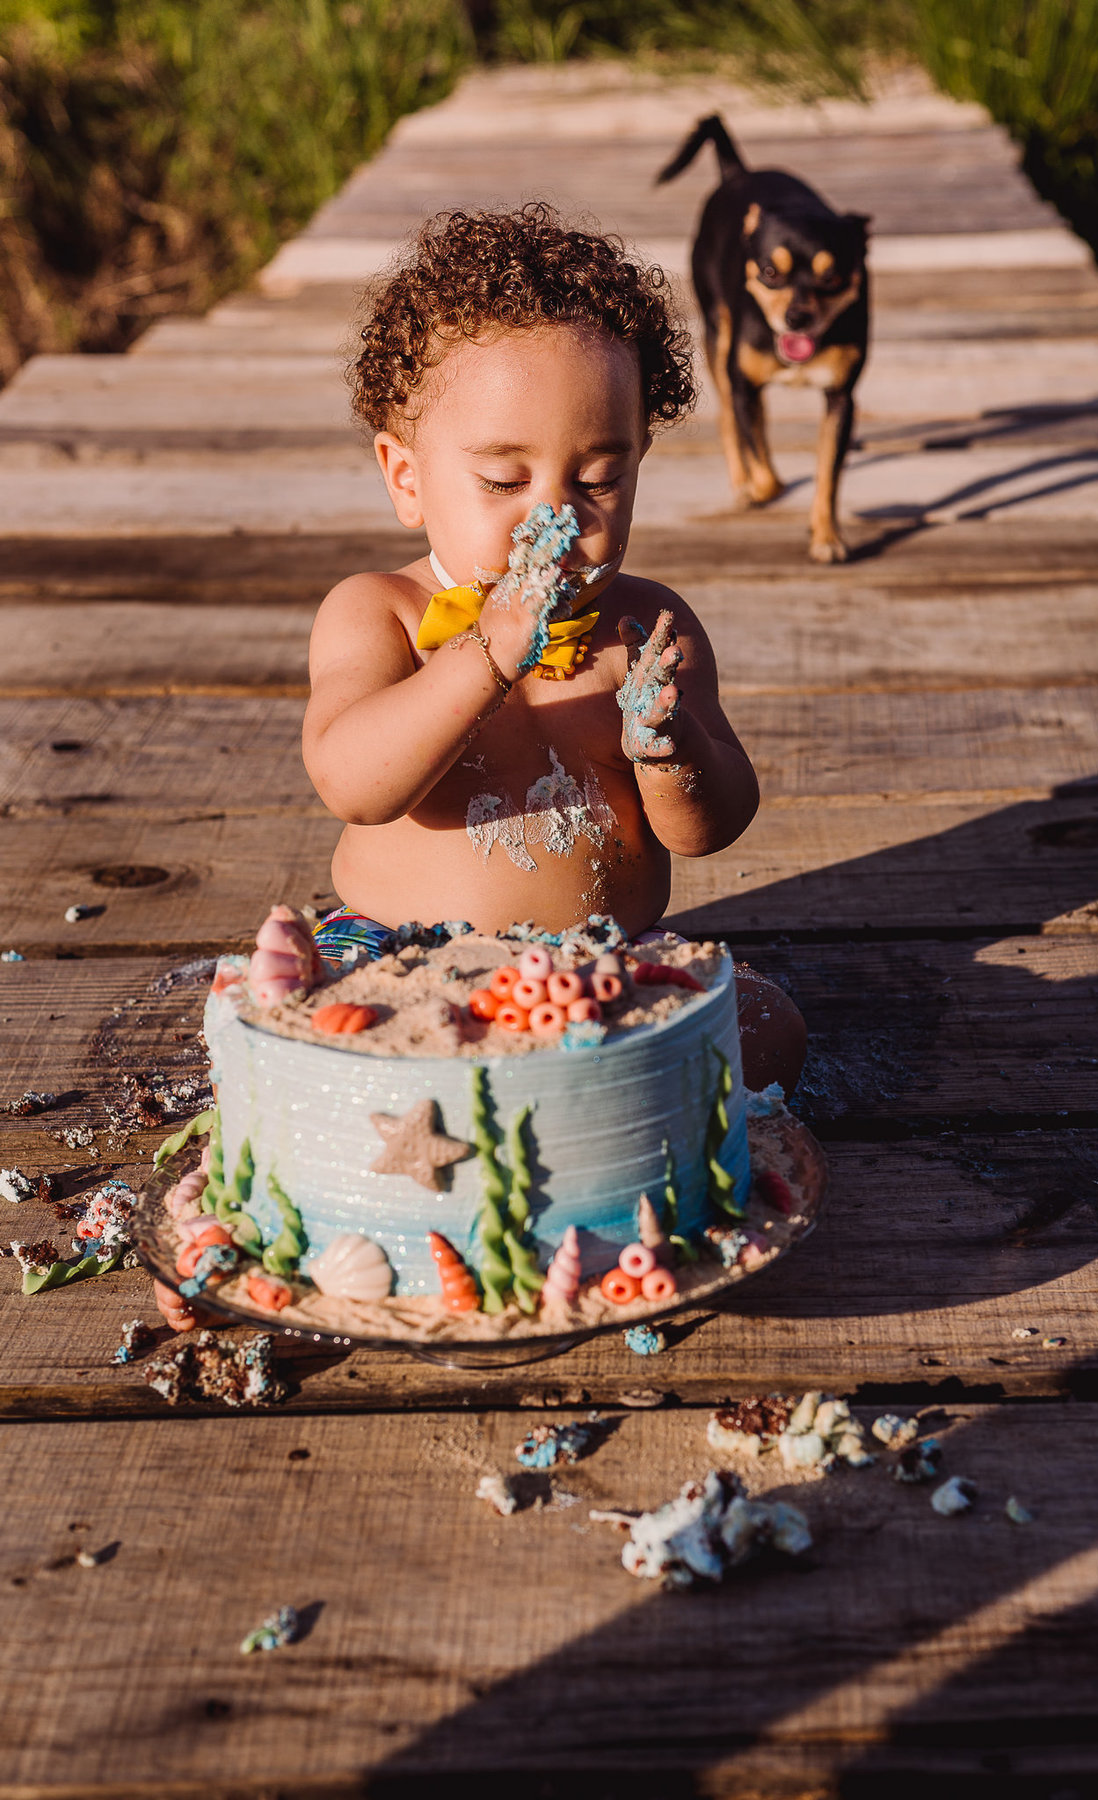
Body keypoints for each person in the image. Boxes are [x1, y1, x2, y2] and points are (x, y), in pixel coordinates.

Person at [153, 204, 804, 1330]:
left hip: (601, 963)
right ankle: (279, 1230)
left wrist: (669, 745)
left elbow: (711, 827)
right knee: (299, 1055)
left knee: (768, 1023)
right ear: (406, 478)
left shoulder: (648, 630)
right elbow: (356, 780)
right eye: (504, 481)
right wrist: (489, 651)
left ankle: (607, 1195)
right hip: (397, 967)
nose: (557, 517)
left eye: (598, 478)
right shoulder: (383, 616)